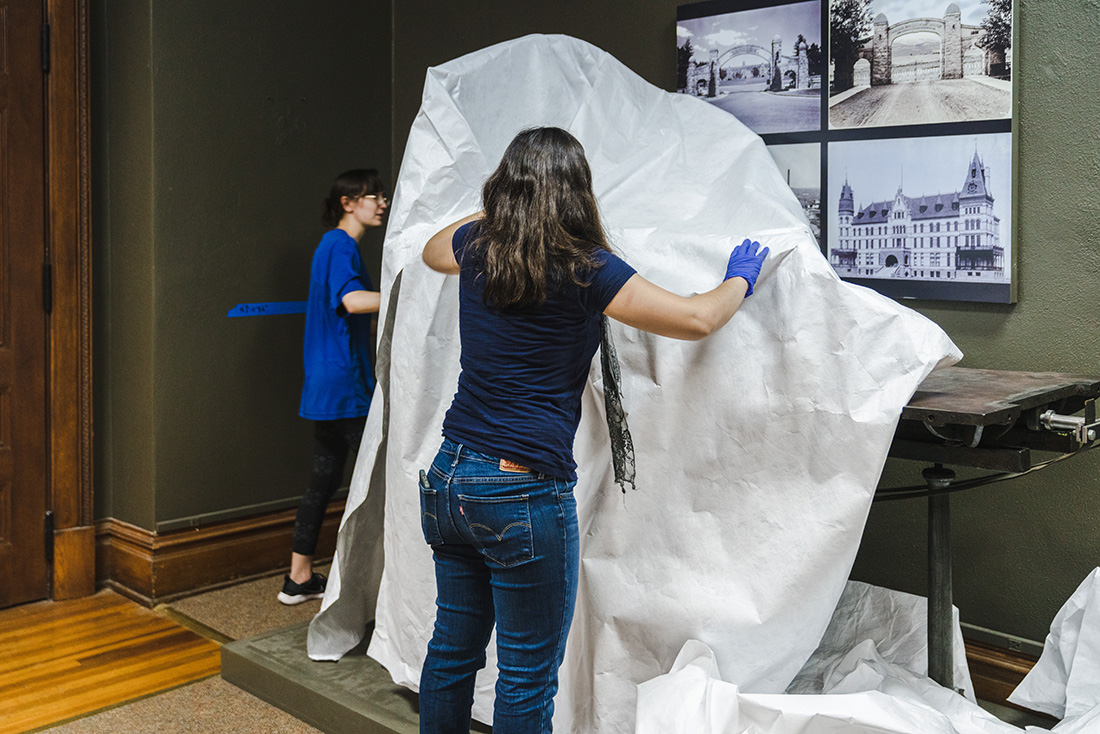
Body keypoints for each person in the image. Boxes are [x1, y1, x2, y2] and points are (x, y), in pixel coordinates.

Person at [417, 127, 768, 732]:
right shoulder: (585, 267)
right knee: (525, 677)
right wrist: (739, 279)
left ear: (507, 185)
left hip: (450, 476)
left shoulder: (477, 245)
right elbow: (695, 318)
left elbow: (430, 249)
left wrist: (506, 206)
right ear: (577, 192)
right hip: (519, 490)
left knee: (451, 652)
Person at [277, 169, 387, 605]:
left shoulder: (330, 246)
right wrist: (408, 295)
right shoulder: (341, 245)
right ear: (348, 203)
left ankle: (298, 578)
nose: (382, 202)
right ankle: (374, 588)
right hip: (346, 386)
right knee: (379, 484)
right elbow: (353, 301)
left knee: (323, 481)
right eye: (374, 196)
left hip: (325, 388)